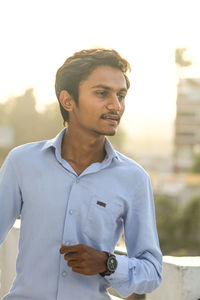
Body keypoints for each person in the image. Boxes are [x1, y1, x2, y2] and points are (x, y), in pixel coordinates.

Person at [0, 48, 162, 300]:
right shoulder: (22, 162)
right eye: (101, 93)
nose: (115, 105)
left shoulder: (134, 179)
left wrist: (108, 263)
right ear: (68, 100)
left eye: (121, 95)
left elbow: (152, 270)